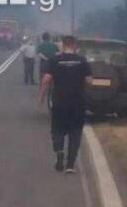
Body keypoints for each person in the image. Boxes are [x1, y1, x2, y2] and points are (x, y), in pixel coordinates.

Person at [38, 35, 92, 174]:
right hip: (77, 102)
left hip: (60, 101)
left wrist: (41, 97)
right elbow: (89, 80)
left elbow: (46, 80)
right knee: (75, 132)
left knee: (57, 128)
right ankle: (70, 164)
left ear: (63, 45)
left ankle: (59, 149)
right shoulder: (82, 61)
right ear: (74, 46)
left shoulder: (55, 60)